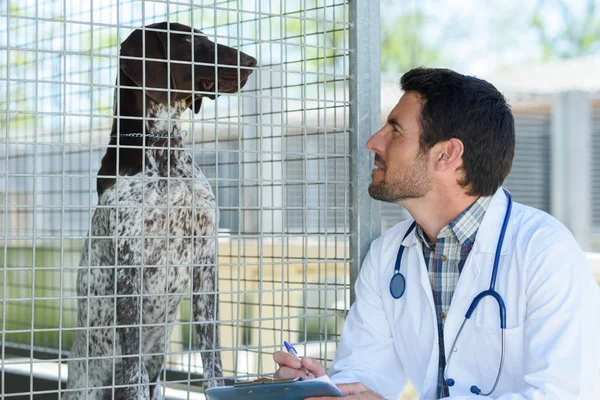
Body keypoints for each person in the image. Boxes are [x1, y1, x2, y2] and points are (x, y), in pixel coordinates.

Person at [273, 67, 600, 399]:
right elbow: (367, 373)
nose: (373, 142)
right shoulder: (388, 253)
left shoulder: (545, 251)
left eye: (395, 130)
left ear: (447, 154)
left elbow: (566, 393)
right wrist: (328, 389)